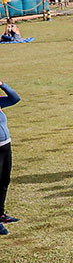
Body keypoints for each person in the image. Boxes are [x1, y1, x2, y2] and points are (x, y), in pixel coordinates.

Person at [0, 81, 19, 235]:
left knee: (4, 181)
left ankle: (0, 214)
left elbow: (15, 98)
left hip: (6, 146)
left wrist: (3, 85)